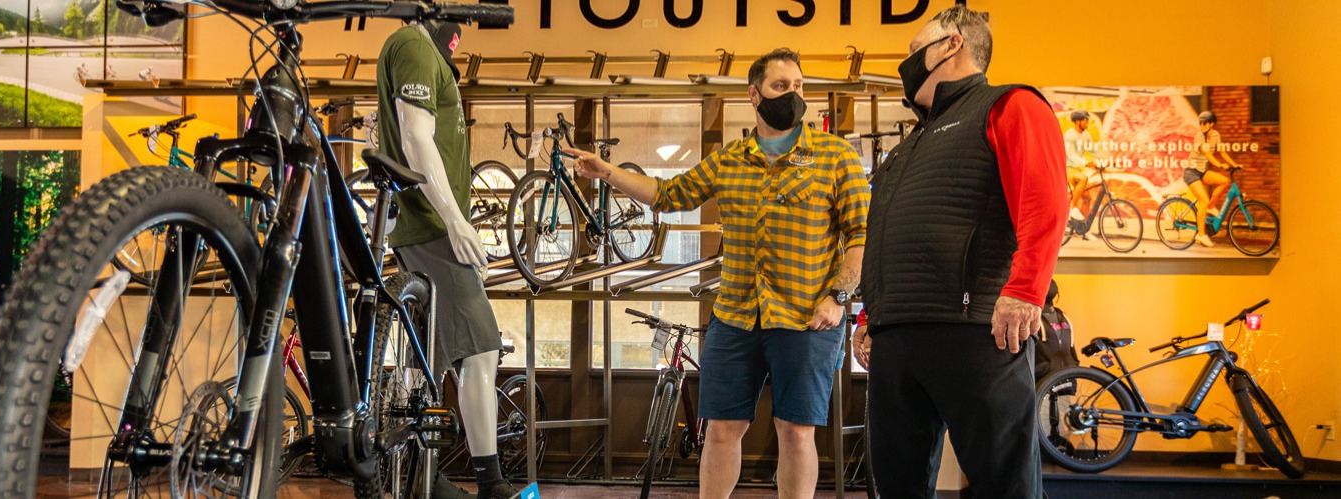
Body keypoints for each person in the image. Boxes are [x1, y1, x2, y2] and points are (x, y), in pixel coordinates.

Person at [565, 48, 870, 499]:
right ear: (754, 95)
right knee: (722, 428)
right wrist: (608, 172)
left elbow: (862, 233)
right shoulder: (729, 160)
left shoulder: (834, 156)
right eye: (780, 86)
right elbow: (667, 193)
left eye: (798, 86)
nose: (793, 95)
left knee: (795, 431)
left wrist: (839, 298)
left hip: (808, 319)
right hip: (736, 317)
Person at [851, 5, 1066, 499]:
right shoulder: (909, 145)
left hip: (977, 332)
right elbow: (885, 236)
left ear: (951, 44)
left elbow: (1045, 203)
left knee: (1005, 486)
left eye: (914, 50)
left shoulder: (1009, 105)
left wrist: (1025, 292)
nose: (906, 64)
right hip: (896, 338)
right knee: (895, 487)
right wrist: (869, 316)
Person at [375, 20, 516, 499]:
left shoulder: (426, 51)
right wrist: (454, 222)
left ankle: (419, 475)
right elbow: (415, 138)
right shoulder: (414, 44)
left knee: (428, 360)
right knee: (481, 349)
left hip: (425, 225)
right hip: (432, 225)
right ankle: (490, 483)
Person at [1186, 110, 1240, 247]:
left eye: (1204, 123)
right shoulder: (1199, 136)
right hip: (1191, 172)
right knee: (1203, 200)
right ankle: (1201, 234)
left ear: (1211, 124)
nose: (1202, 126)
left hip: (1202, 172)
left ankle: (1211, 206)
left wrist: (1235, 165)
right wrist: (1220, 165)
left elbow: (1222, 152)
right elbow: (1207, 153)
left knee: (1224, 181)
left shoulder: (1216, 135)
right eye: (1200, 123)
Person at [1064, 110, 1094, 219]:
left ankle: (1083, 226)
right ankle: (1073, 208)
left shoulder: (1087, 135)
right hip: (1068, 169)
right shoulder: (1069, 135)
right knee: (1083, 179)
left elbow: (1093, 151)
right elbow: (1070, 154)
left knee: (1087, 198)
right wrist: (1085, 162)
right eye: (1085, 120)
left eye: (1088, 120)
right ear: (1077, 122)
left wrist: (1108, 159)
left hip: (1077, 169)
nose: (1087, 123)